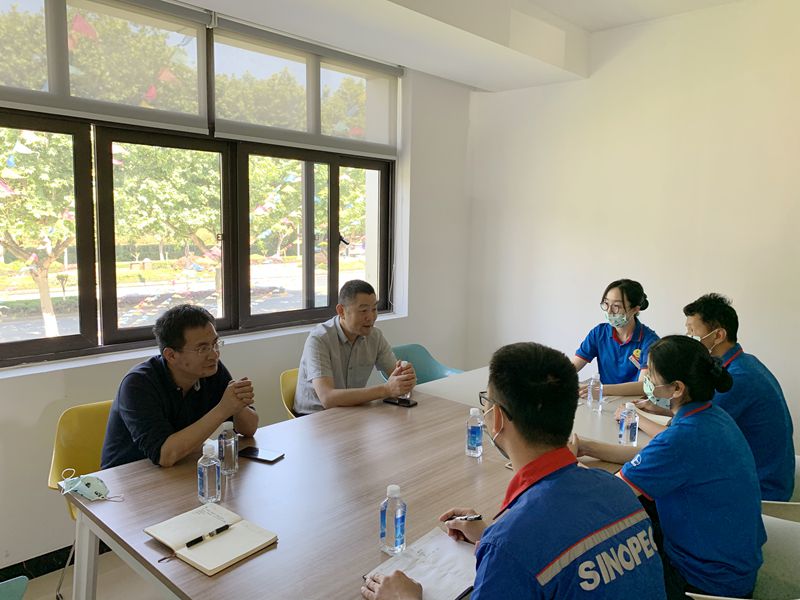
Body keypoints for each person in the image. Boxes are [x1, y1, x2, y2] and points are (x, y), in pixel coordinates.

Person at [361, 342, 665, 600]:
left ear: (496, 419)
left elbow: (528, 546)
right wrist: (491, 535)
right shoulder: (617, 490)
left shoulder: (509, 546)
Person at [571, 335, 765, 599]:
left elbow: (612, 494)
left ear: (677, 389)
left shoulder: (683, 438)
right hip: (732, 563)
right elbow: (653, 456)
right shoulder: (711, 416)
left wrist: (568, 463)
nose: (646, 382)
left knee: (595, 560)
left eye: (651, 376)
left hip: (701, 581)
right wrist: (588, 447)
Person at [630, 293, 795, 501]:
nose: (688, 337)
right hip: (757, 476)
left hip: (759, 490)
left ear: (718, 336)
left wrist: (636, 418)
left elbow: (683, 437)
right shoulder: (742, 364)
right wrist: (658, 407)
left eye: (692, 331)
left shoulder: (737, 380)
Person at [101, 304, 258, 469]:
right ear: (171, 355)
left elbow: (249, 430)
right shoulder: (138, 384)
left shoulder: (211, 370)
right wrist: (223, 409)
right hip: (128, 476)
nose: (214, 354)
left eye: (215, 344)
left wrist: (237, 405)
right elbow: (165, 455)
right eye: (202, 348)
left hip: (179, 467)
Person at [294, 280, 415, 415]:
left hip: (351, 410)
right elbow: (327, 398)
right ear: (341, 311)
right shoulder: (319, 339)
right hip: (313, 416)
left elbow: (395, 373)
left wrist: (405, 379)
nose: (371, 317)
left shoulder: (375, 336)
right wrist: (386, 389)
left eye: (374, 309)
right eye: (363, 310)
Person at [572, 279, 659, 397]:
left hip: (633, 403)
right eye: (606, 304)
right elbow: (572, 367)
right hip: (604, 401)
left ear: (635, 309)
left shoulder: (650, 341)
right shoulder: (599, 333)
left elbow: (643, 386)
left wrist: (601, 389)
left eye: (616, 306)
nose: (609, 311)